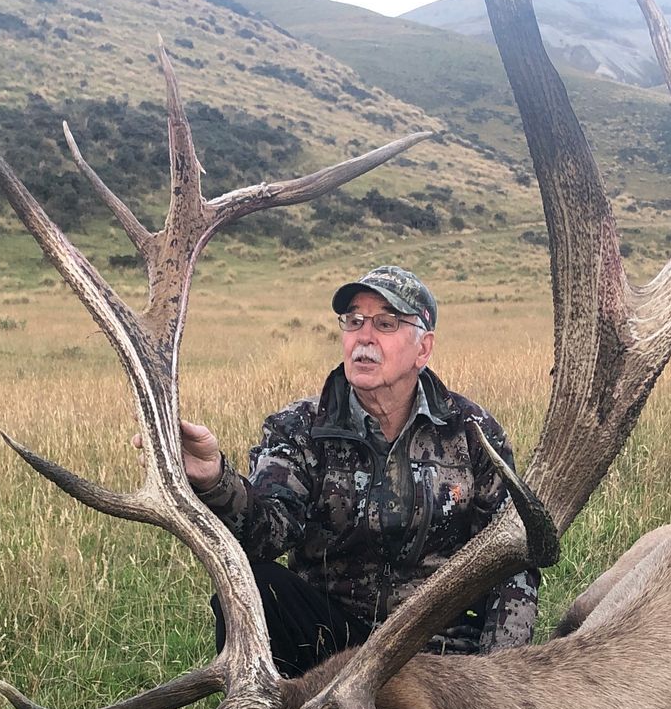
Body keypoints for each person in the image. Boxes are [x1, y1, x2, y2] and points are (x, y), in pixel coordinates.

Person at [180, 265, 538, 674]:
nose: (364, 337)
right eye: (354, 321)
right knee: (254, 589)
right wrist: (215, 480)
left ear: (423, 349)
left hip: (438, 652)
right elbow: (265, 535)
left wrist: (499, 674)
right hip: (330, 644)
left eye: (385, 323)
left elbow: (512, 558)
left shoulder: (472, 432)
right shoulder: (300, 427)